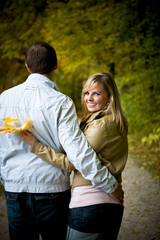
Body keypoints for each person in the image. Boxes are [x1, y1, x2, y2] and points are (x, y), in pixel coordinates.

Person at [0, 42, 120, 240]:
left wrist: (7, 179)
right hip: (52, 191)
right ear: (55, 65)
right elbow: (78, 153)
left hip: (15, 189)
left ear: (27, 66)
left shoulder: (4, 99)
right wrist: (110, 186)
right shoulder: (60, 102)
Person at [21, 72, 128, 240]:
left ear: (110, 97)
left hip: (91, 203)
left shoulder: (101, 125)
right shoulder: (107, 120)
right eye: (87, 93)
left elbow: (74, 161)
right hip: (107, 204)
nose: (89, 98)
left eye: (96, 93)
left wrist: (36, 146)